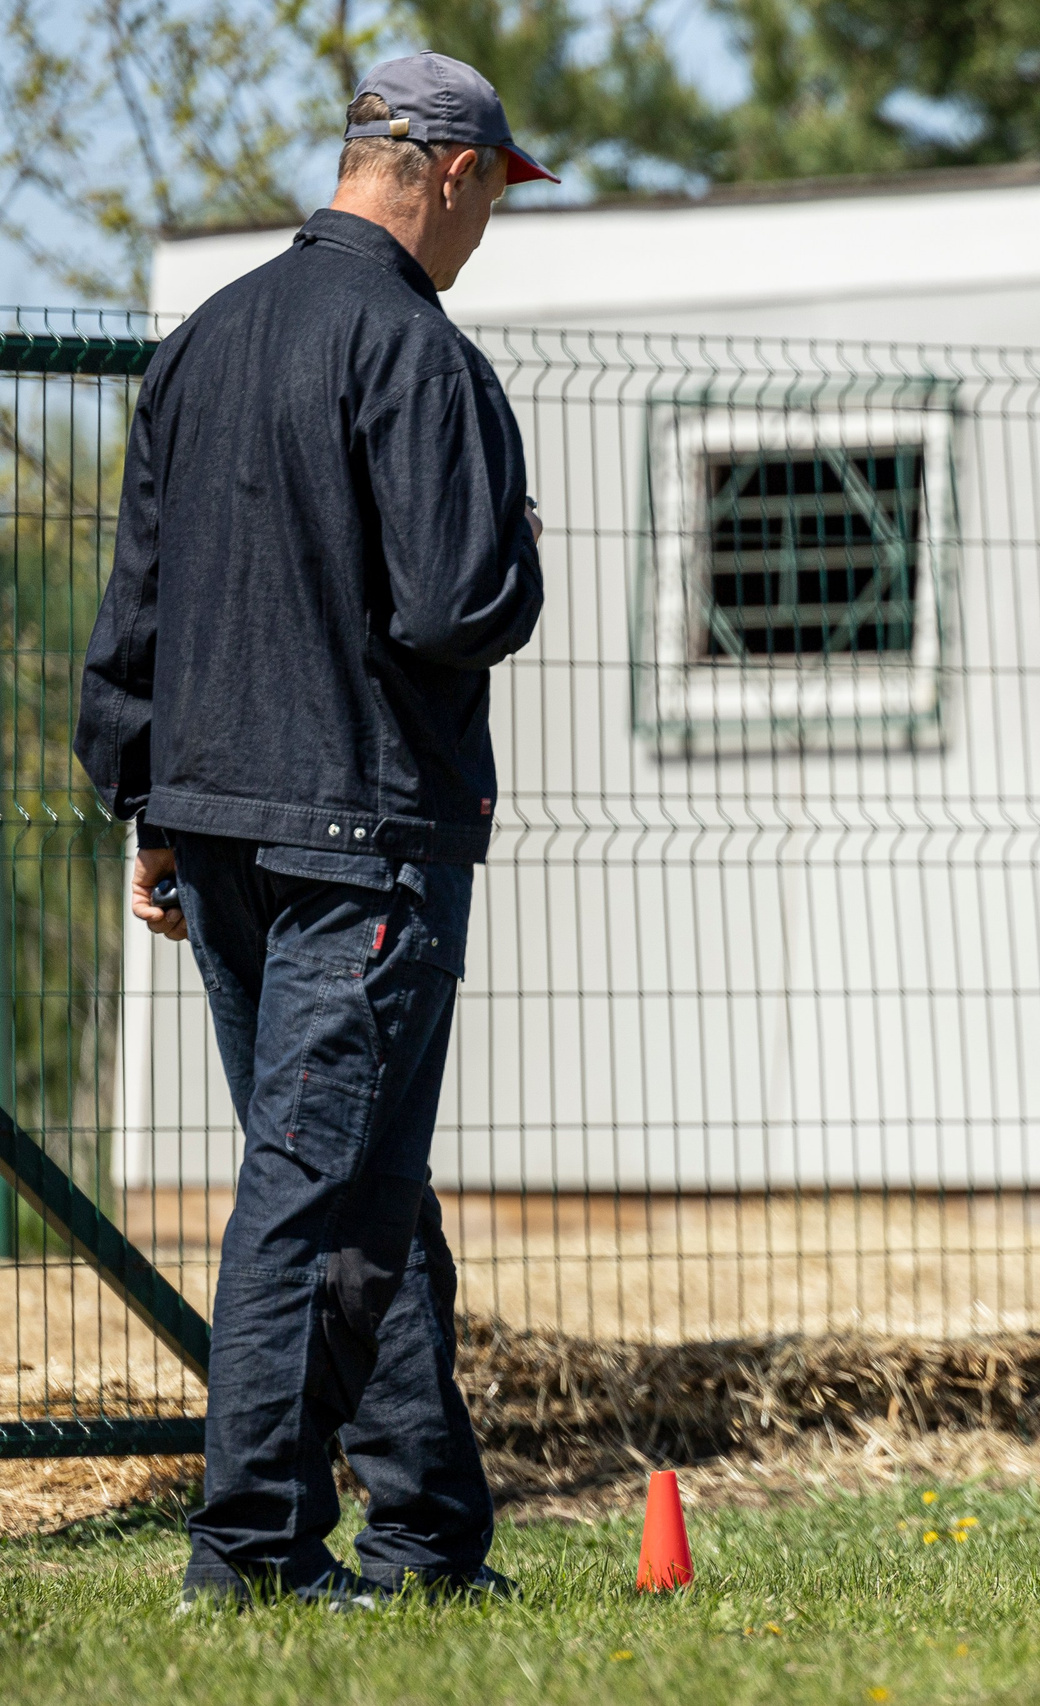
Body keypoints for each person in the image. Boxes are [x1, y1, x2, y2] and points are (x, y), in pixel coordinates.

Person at [75, 52, 551, 1611]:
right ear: (455, 172)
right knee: (313, 1193)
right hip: (363, 834)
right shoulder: (415, 352)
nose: (485, 231)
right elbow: (459, 602)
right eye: (494, 198)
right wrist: (520, 543)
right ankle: (254, 1551)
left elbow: (132, 607)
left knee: (366, 1188)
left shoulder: (202, 341)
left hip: (211, 824)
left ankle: (429, 1538)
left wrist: (143, 806)